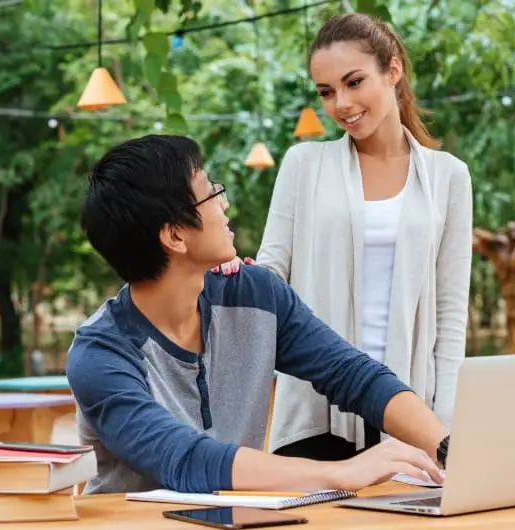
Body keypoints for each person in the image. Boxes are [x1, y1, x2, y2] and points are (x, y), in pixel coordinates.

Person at [66, 134, 451, 495]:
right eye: (211, 193)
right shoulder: (100, 355)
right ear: (175, 237)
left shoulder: (254, 295)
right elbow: (182, 461)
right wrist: (341, 473)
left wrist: (449, 449)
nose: (224, 204)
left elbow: (353, 375)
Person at [245, 13, 473, 460]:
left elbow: (451, 313)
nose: (341, 104)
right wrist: (241, 276)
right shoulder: (303, 164)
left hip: (411, 411)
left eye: (354, 82)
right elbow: (270, 275)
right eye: (326, 92)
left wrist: (445, 421)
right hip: (317, 406)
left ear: (392, 70)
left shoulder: (450, 177)